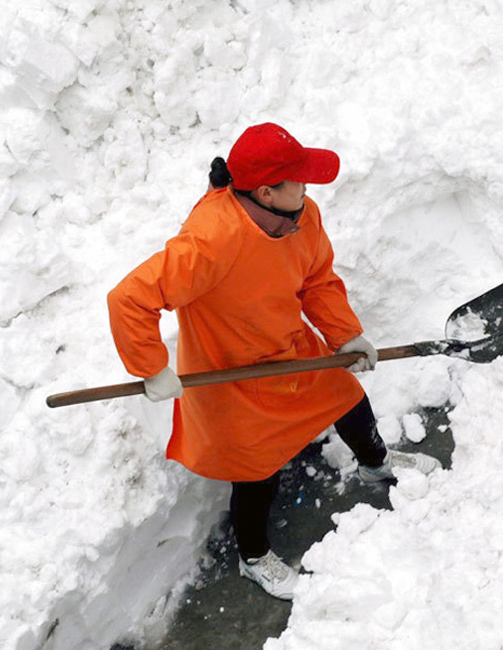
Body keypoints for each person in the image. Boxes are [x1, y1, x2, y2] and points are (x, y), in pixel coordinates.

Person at [107, 123, 440, 600]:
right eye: (298, 182)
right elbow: (129, 299)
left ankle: (376, 463)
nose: (307, 190)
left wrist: (344, 335)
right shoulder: (211, 239)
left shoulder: (301, 216)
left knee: (346, 395)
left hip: (287, 347)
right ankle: (253, 556)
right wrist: (152, 368)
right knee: (256, 470)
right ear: (265, 192)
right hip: (230, 372)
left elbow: (317, 280)